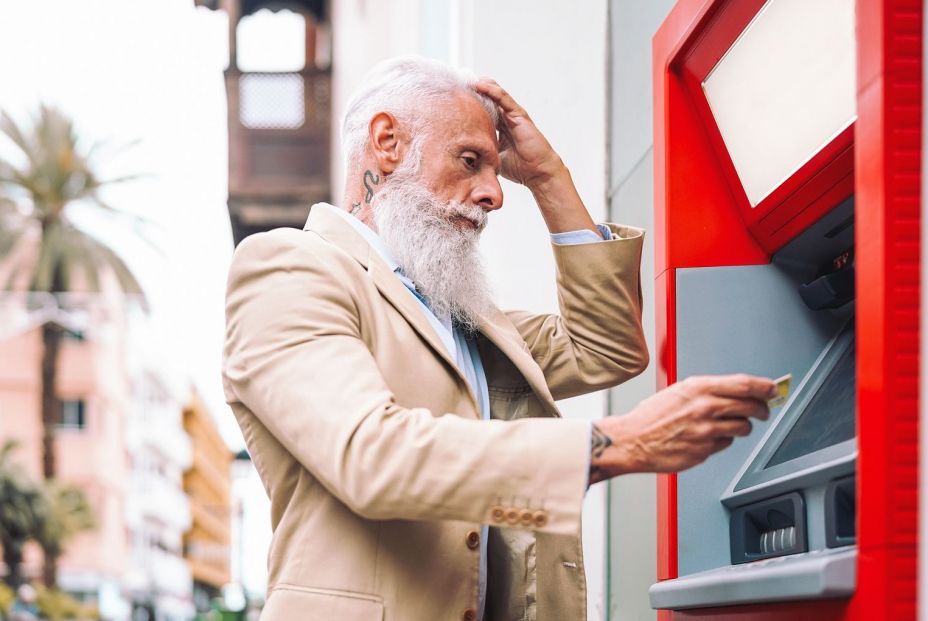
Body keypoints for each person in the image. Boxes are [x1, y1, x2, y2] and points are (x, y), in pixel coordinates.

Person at [222, 56, 776, 621]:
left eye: (496, 170)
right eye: (470, 161)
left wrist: (547, 177)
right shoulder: (285, 268)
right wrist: (615, 445)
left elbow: (606, 348)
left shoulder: (460, 314)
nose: (494, 194)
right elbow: (370, 454)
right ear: (386, 142)